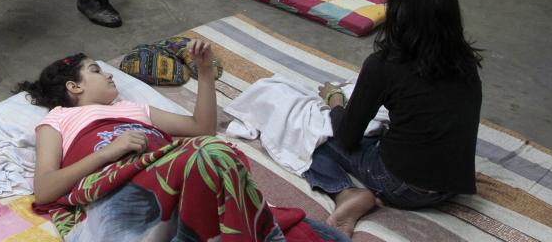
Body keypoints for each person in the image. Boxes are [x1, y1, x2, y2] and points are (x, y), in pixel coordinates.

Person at [19, 42, 339, 241]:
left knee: (319, 235)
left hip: (171, 176)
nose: (110, 75)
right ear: (74, 87)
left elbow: (201, 128)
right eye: (96, 71)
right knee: (213, 155)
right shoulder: (58, 119)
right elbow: (46, 188)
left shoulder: (134, 109)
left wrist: (203, 72)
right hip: (122, 187)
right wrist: (111, 152)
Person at [306, 0, 483, 237]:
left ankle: (345, 193)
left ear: (398, 14)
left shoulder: (384, 65)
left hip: (404, 188)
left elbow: (347, 137)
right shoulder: (465, 61)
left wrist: (335, 100)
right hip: (453, 186)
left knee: (312, 137)